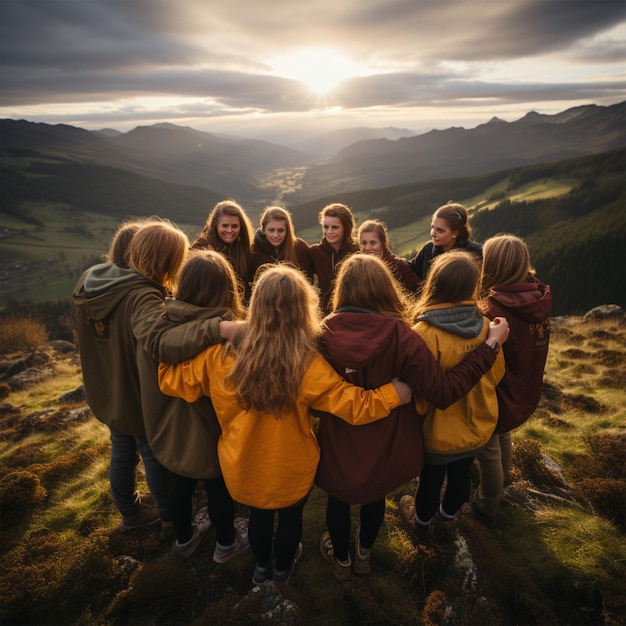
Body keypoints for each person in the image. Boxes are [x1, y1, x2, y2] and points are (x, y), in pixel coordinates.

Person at [158, 264, 413, 586]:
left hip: (241, 464)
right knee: (291, 520)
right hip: (293, 466)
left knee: (258, 519)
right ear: (303, 309)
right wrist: (394, 394)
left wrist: (172, 347)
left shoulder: (217, 357)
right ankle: (282, 568)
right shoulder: (307, 363)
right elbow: (353, 406)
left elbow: (171, 381)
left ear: (256, 305)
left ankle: (262, 567)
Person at [315, 254, 510, 581]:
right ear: (385, 289)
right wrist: (489, 347)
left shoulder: (320, 335)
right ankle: (364, 556)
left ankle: (343, 563)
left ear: (342, 289)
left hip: (338, 439)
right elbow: (444, 393)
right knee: (373, 498)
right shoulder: (402, 335)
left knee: (338, 500)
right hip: (386, 440)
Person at [71, 220, 226, 537]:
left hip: (105, 386)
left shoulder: (91, 282)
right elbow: (161, 342)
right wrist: (217, 327)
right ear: (166, 260)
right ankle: (169, 518)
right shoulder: (142, 297)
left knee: (121, 449)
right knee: (152, 453)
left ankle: (129, 512)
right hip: (135, 391)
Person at [145, 250, 250, 561]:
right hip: (209, 429)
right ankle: (228, 543)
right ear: (226, 288)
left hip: (173, 429)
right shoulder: (224, 335)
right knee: (218, 490)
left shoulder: (166, 320)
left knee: (181, 486)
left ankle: (184, 539)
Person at [399, 250, 505, 536]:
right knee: (461, 478)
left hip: (437, 431)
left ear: (435, 283)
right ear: (473, 286)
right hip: (476, 426)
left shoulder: (423, 332)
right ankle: (448, 518)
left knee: (430, 482)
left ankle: (421, 526)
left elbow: (420, 389)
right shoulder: (487, 328)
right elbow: (496, 375)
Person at [466, 234, 552, 527]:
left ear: (493, 264)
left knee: (488, 447)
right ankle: (498, 492)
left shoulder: (493, 308)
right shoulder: (537, 298)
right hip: (522, 385)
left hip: (497, 390)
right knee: (502, 437)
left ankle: (486, 505)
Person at [191, 199, 254, 295]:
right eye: (225, 226)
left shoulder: (244, 249)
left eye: (235, 226)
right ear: (215, 225)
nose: (229, 230)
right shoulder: (201, 249)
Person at [408, 201, 482, 280]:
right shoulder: (428, 249)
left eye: (440, 230)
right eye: (433, 227)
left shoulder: (477, 253)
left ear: (456, 233)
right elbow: (411, 270)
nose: (433, 234)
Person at [309, 202, 359, 313]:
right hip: (325, 315)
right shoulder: (315, 252)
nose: (329, 231)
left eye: (335, 227)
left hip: (353, 312)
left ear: (346, 228)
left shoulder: (357, 252)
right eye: (326, 227)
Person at [247, 206, 312, 287]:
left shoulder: (300, 248)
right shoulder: (253, 251)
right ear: (263, 229)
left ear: (287, 230)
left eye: (281, 230)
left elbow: (309, 283)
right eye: (271, 230)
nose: (276, 235)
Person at [358, 219, 422, 295]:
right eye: (364, 243)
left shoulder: (398, 266)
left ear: (383, 243)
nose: (367, 248)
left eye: (373, 243)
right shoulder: (358, 269)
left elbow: (422, 292)